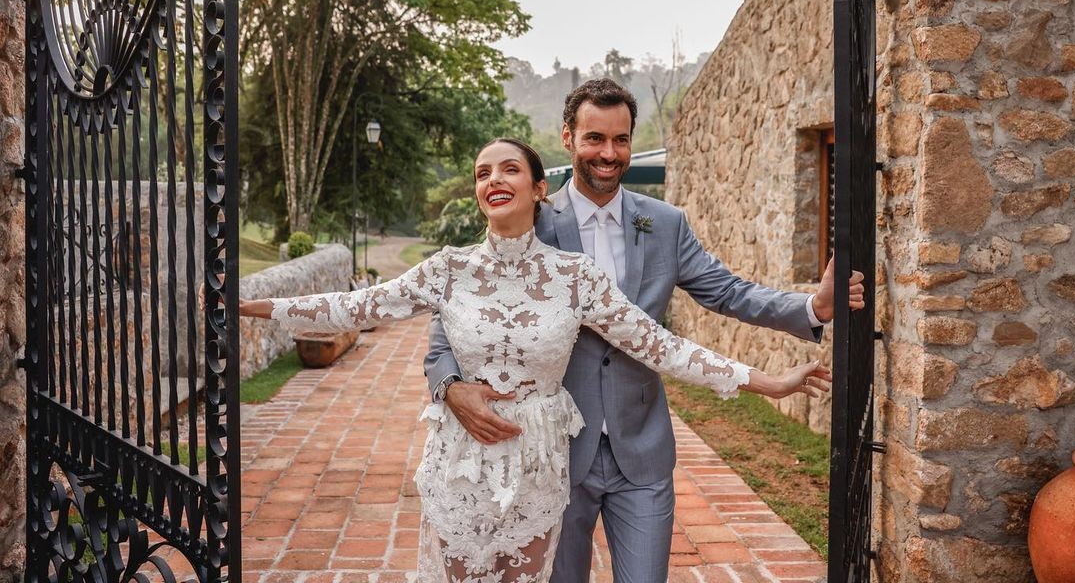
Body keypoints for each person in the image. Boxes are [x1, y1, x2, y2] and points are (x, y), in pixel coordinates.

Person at [237, 137, 835, 583]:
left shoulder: (574, 278)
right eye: (481, 173)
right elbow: (353, 305)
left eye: (509, 168)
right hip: (460, 461)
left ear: (537, 188)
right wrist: (252, 306)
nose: (493, 179)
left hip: (539, 460)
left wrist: (769, 382)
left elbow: (660, 344)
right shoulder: (448, 268)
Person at [426, 80, 866, 583]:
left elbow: (727, 291)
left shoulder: (664, 223)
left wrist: (813, 305)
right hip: (551, 453)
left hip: (643, 449)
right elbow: (456, 314)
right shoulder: (528, 218)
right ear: (568, 138)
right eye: (594, 138)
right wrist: (448, 386)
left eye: (621, 140)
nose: (608, 154)